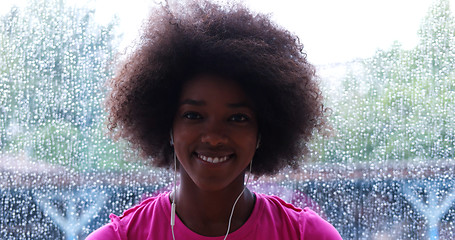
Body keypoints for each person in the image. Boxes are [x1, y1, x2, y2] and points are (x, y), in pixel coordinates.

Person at [87, 0, 342, 239]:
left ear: (262, 132)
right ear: (168, 125)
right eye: (193, 115)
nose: (213, 136)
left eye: (237, 118)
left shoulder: (306, 235)